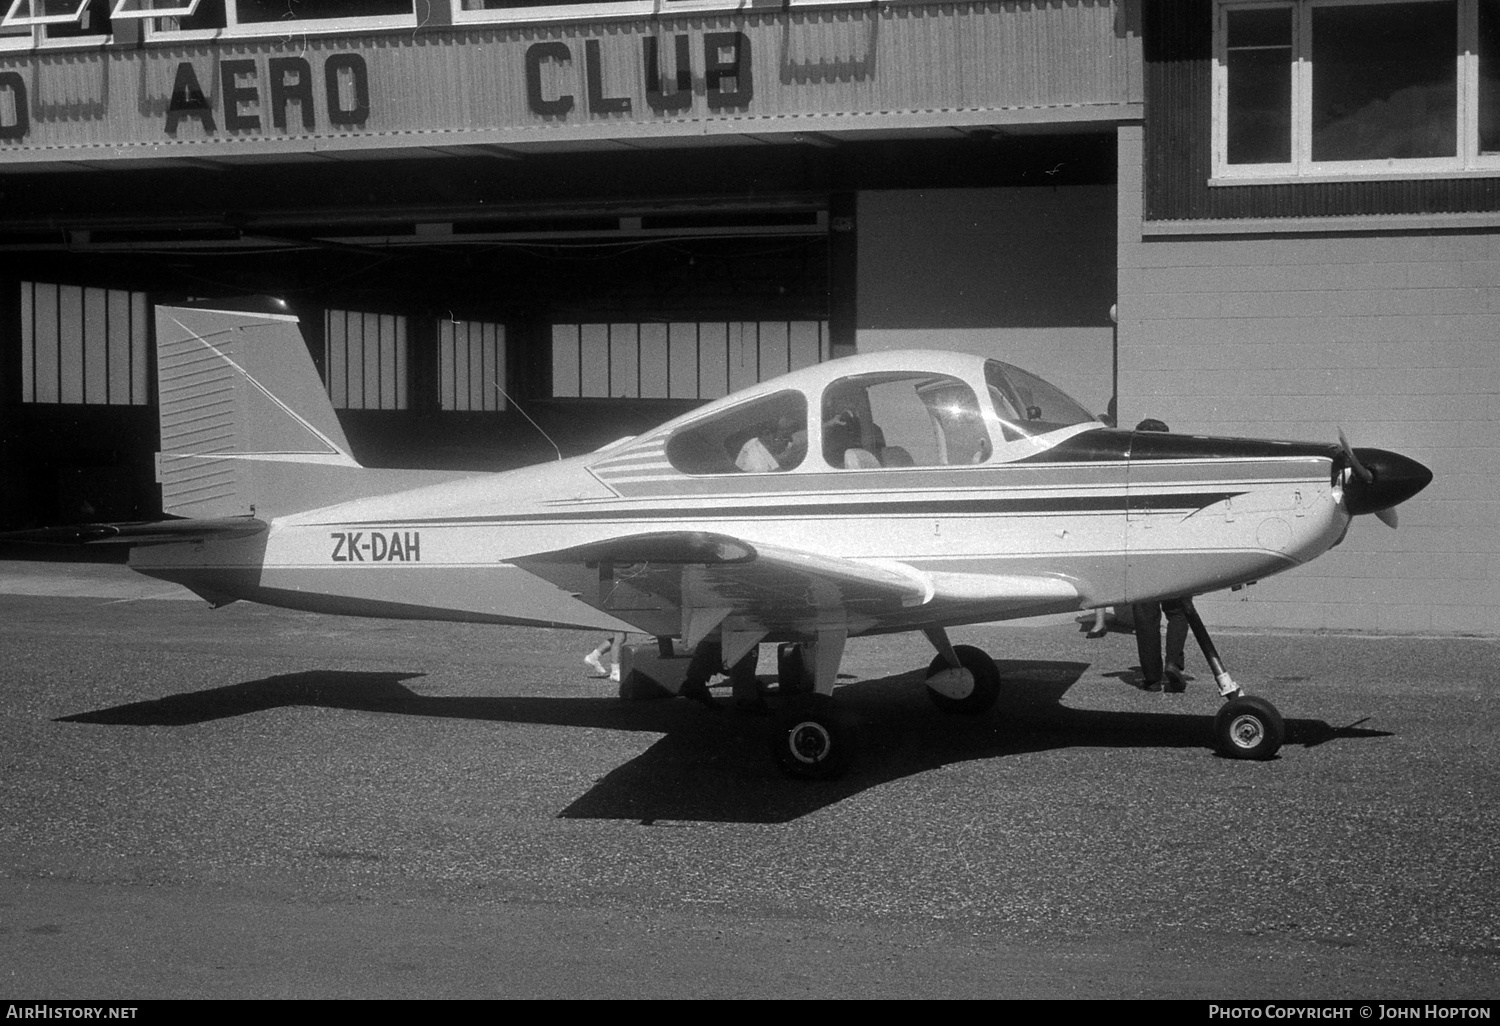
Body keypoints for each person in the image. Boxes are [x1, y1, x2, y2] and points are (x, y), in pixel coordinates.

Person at [1129, 416, 1191, 692]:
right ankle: (1173, 663)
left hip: (1140, 550)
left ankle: (1152, 677)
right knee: (1179, 611)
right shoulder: (1176, 472)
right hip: (1172, 548)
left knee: (1145, 616)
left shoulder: (1129, 474)